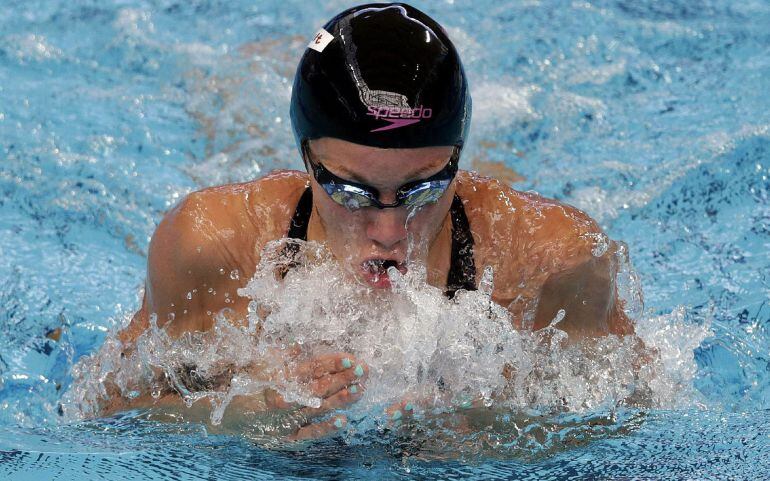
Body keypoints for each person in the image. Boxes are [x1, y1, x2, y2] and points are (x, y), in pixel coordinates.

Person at [107, 3, 634, 440]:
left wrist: (493, 428)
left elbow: (640, 408)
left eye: (424, 189)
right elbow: (108, 405)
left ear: (456, 161)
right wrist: (238, 415)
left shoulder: (550, 260)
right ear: (307, 159)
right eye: (350, 192)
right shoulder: (213, 245)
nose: (389, 231)